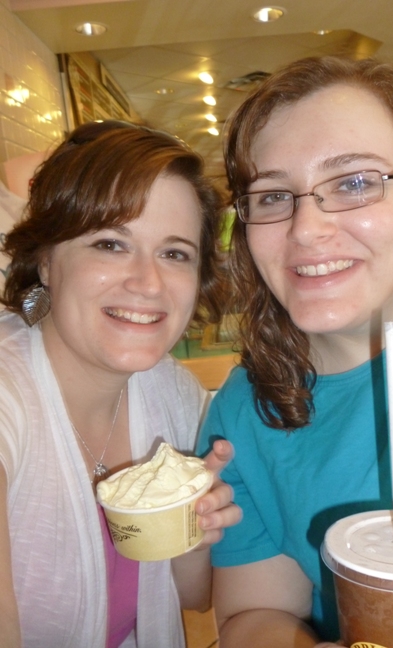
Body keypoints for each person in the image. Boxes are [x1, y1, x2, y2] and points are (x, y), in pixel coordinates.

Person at [197, 55, 393, 647]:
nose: (305, 229)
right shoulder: (243, 414)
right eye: (273, 195)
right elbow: (255, 614)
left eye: (354, 182)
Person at [0, 119, 240, 648]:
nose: (148, 283)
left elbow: (193, 597)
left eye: (174, 253)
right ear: (45, 260)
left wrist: (194, 527)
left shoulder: (174, 395)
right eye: (110, 244)